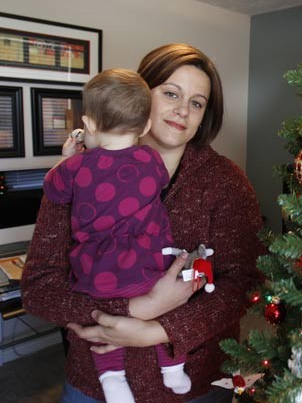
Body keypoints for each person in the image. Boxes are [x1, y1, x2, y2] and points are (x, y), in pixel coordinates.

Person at [22, 44, 265, 403]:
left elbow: (243, 282)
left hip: (195, 385)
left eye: (197, 103)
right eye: (170, 93)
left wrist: (157, 330)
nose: (183, 110)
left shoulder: (226, 182)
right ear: (139, 95)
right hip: (94, 384)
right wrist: (133, 310)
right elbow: (38, 288)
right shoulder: (78, 175)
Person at [43, 68, 194, 402]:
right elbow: (161, 183)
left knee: (106, 321)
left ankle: (112, 378)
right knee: (166, 312)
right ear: (144, 127)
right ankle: (173, 368)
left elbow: (52, 190)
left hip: (98, 272)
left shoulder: (76, 168)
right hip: (147, 266)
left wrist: (66, 159)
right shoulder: (151, 159)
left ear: (90, 124)